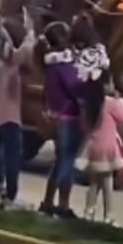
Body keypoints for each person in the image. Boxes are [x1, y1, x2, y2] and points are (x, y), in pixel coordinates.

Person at [39, 21, 83, 219]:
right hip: (69, 116)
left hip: (58, 115)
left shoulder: (51, 63)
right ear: (62, 38)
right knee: (67, 162)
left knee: (60, 162)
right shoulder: (63, 64)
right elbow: (75, 87)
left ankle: (48, 202)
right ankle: (62, 205)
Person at [0, 15, 36, 208]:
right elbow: (27, 50)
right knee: (12, 157)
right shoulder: (10, 64)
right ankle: (10, 195)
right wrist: (30, 30)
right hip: (10, 119)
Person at [82, 77, 123, 225]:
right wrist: (121, 102)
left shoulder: (91, 103)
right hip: (107, 146)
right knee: (108, 182)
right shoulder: (111, 103)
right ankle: (109, 214)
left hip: (93, 145)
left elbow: (84, 124)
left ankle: (89, 211)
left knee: (94, 182)